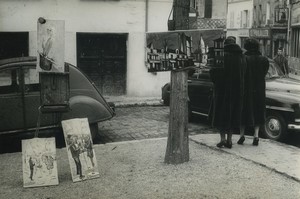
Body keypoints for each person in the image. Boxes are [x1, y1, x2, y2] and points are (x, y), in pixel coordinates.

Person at [209, 36, 246, 148]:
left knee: (220, 114)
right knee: (233, 115)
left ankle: (223, 139)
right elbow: (244, 73)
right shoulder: (241, 57)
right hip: (236, 90)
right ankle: (230, 140)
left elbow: (213, 74)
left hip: (221, 91)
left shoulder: (220, 55)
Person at [238, 38, 269, 146]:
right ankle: (256, 136)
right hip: (259, 90)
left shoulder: (243, 58)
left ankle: (242, 136)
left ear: (246, 46)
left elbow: (241, 75)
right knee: (258, 111)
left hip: (246, 90)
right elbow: (264, 73)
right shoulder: (264, 59)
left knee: (243, 112)